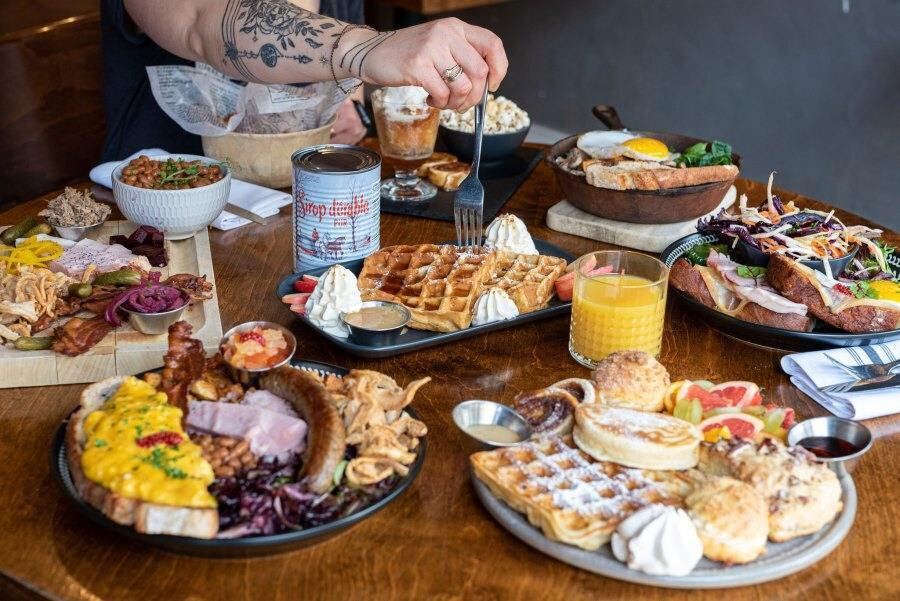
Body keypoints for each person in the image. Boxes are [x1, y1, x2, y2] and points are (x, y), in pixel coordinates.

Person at [100, 0, 509, 162]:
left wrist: (346, 103)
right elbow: (202, 24)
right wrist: (367, 49)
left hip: (315, 188)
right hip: (165, 215)